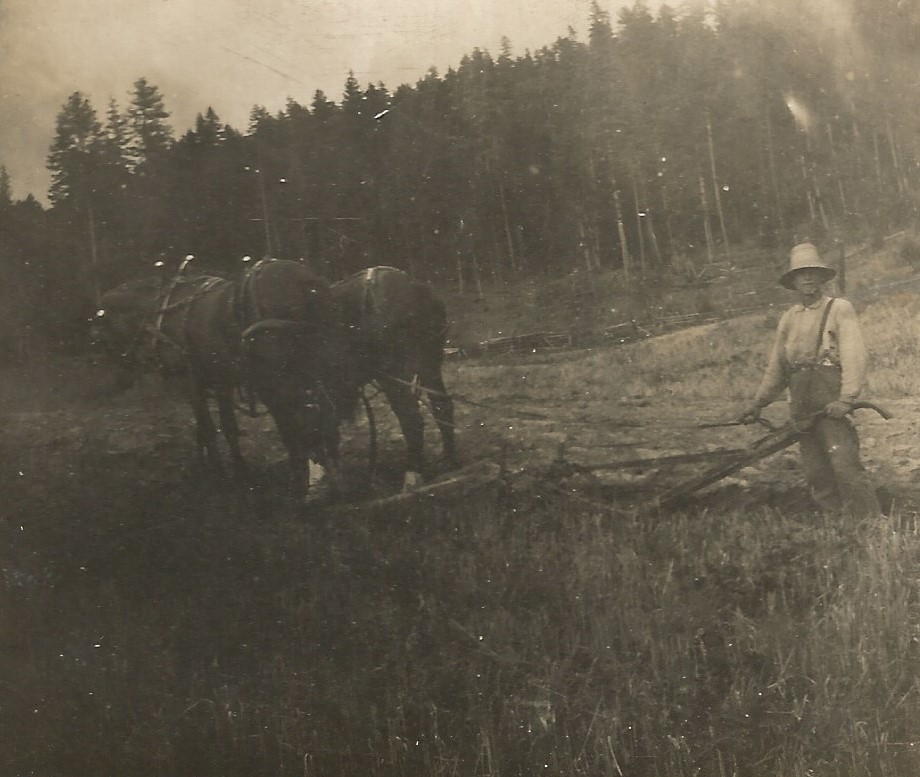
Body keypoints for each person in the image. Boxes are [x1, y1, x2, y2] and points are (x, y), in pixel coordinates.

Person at [738, 242, 881, 517]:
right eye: (800, 273)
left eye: (812, 272)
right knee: (816, 470)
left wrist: (846, 399)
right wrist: (758, 403)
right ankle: (836, 520)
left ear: (822, 277)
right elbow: (777, 367)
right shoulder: (789, 319)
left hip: (831, 402)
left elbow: (855, 355)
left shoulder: (839, 308)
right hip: (801, 404)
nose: (807, 278)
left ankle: (870, 522)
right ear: (792, 281)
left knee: (844, 465)